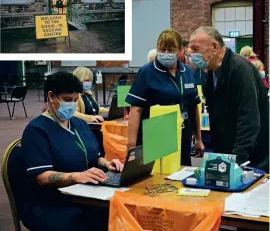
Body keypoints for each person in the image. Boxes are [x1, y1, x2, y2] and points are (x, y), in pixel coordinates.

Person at [21, 71, 123, 231]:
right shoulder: (37, 130)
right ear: (51, 97)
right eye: (67, 100)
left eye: (75, 100)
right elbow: (42, 177)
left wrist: (107, 163)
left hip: (84, 196)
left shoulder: (79, 124)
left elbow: (95, 157)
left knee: (117, 214)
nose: (72, 105)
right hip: (51, 204)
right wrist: (77, 176)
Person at [189, 26, 269, 171]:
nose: (191, 54)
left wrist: (235, 163)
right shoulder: (211, 73)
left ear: (214, 47)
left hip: (252, 158)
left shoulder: (240, 70)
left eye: (196, 49)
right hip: (227, 155)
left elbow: (249, 122)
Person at [126, 29, 204, 166]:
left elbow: (194, 107)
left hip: (183, 133)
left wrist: (198, 138)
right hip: (156, 134)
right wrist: (131, 146)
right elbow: (136, 110)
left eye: (171, 50)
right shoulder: (147, 72)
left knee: (181, 172)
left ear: (181, 50)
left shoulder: (188, 72)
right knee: (158, 176)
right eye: (162, 50)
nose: (166, 54)